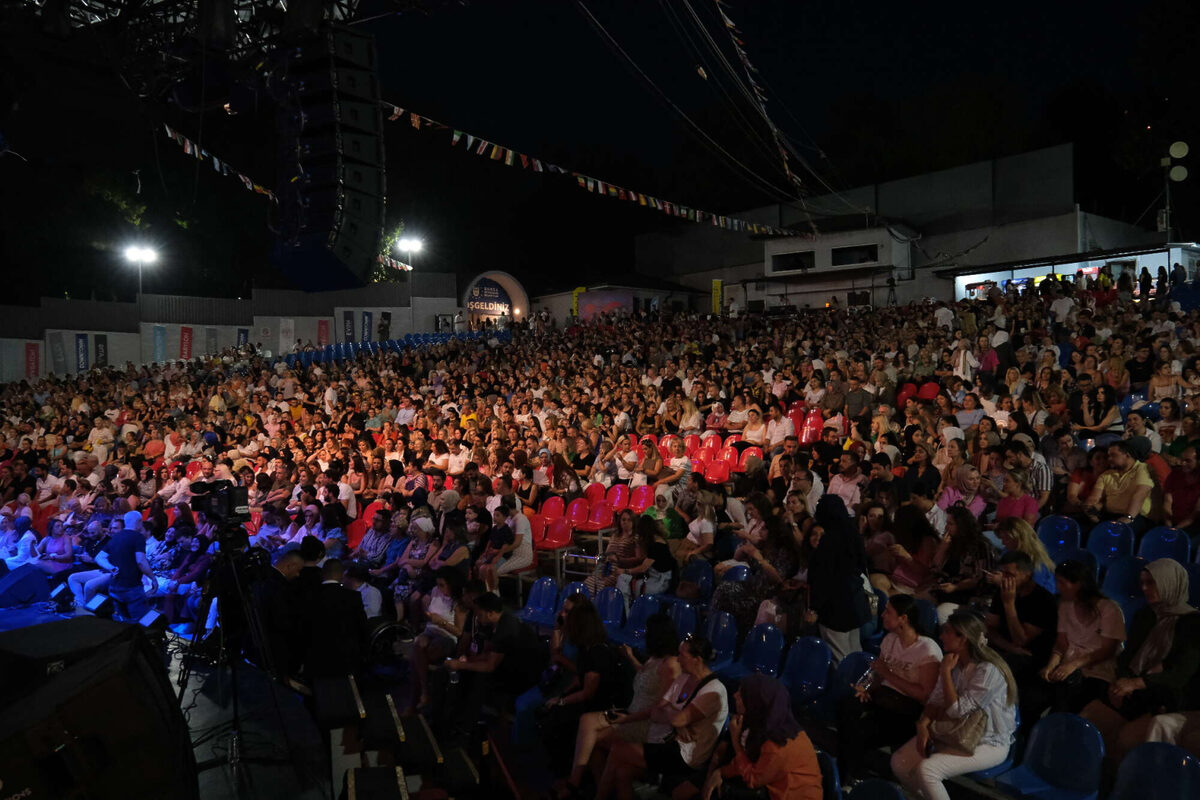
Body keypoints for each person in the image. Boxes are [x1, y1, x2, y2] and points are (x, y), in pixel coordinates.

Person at [890, 611, 1018, 800]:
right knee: (899, 763)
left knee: (928, 770)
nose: (941, 636)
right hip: (955, 732)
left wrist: (945, 673)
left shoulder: (988, 671)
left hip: (988, 742)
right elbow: (935, 700)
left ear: (963, 638)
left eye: (947, 632)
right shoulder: (953, 663)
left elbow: (957, 710)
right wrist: (923, 725)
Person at [1080, 559, 1200, 760]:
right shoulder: (1145, 615)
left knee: (1126, 740)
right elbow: (1129, 656)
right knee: (1088, 720)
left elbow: (1180, 673)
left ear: (1170, 583)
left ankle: (1118, 783)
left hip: (1165, 697)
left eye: (1151, 583)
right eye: (1143, 582)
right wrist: (1121, 684)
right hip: (1135, 691)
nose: (1144, 588)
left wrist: (1134, 684)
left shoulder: (1193, 623)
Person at [557, 612, 681, 798]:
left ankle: (583, 786)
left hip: (644, 723)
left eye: (648, 631)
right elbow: (648, 677)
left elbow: (659, 706)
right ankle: (595, 786)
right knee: (587, 727)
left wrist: (628, 718)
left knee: (591, 738)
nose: (645, 634)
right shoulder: (654, 658)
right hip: (632, 713)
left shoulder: (671, 664)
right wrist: (631, 657)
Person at [596, 636, 729, 800]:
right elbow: (657, 712)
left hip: (686, 757)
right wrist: (677, 721)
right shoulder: (683, 678)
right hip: (670, 743)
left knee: (617, 750)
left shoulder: (714, 690)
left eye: (682, 655)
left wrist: (674, 716)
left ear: (697, 659)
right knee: (623, 771)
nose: (677, 659)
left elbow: (675, 718)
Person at [836, 594, 942, 782]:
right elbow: (878, 674)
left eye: (888, 612)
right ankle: (847, 773)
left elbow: (924, 695)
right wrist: (867, 689)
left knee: (858, 732)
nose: (883, 615)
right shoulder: (890, 639)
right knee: (846, 706)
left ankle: (852, 775)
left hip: (907, 709)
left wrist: (887, 674)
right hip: (883, 697)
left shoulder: (927, 649)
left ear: (903, 619)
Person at [1020, 559, 1125, 728]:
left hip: (1095, 669)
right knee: (1030, 697)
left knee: (1067, 701)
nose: (1058, 587)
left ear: (1079, 584)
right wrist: (1051, 666)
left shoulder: (1109, 609)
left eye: (1062, 583)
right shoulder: (1065, 606)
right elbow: (1061, 644)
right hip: (1067, 667)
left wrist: (1073, 665)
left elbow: (1107, 650)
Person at [442, 591, 546, 746]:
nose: (477, 616)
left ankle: (465, 730)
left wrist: (461, 664)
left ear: (490, 613)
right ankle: (452, 719)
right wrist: (467, 661)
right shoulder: (496, 623)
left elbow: (490, 666)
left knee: (480, 679)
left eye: (479, 613)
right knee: (468, 672)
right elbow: (489, 653)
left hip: (524, 675)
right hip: (510, 665)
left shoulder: (506, 628)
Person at [703, 674, 823, 800]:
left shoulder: (777, 744)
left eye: (742, 694)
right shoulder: (762, 724)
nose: (735, 695)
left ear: (756, 703)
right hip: (770, 785)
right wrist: (721, 772)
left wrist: (734, 740)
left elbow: (753, 779)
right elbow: (749, 761)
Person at [808, 495, 872, 661]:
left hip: (834, 608)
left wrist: (815, 607)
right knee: (854, 652)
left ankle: (847, 687)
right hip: (854, 601)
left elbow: (823, 578)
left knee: (840, 657)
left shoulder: (829, 542)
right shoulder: (852, 534)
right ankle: (860, 684)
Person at [985, 551, 1058, 684]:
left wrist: (1009, 605)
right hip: (1006, 648)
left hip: (1030, 656)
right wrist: (1009, 647)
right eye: (1003, 573)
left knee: (993, 669)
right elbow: (989, 629)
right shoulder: (1002, 590)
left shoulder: (1043, 600)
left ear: (1027, 574)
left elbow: (1020, 640)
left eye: (1010, 574)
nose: (1004, 578)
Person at [303, 559, 369, 679]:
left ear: (323, 574)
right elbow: (362, 627)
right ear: (342, 575)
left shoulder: (309, 596)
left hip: (316, 657)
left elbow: (303, 627)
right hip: (346, 659)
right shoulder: (353, 597)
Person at [96, 510, 155, 621]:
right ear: (139, 522)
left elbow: (99, 557)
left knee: (124, 621)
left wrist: (111, 567)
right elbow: (140, 561)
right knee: (141, 621)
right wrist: (153, 579)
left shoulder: (116, 537)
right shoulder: (138, 537)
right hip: (131, 587)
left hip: (114, 586)